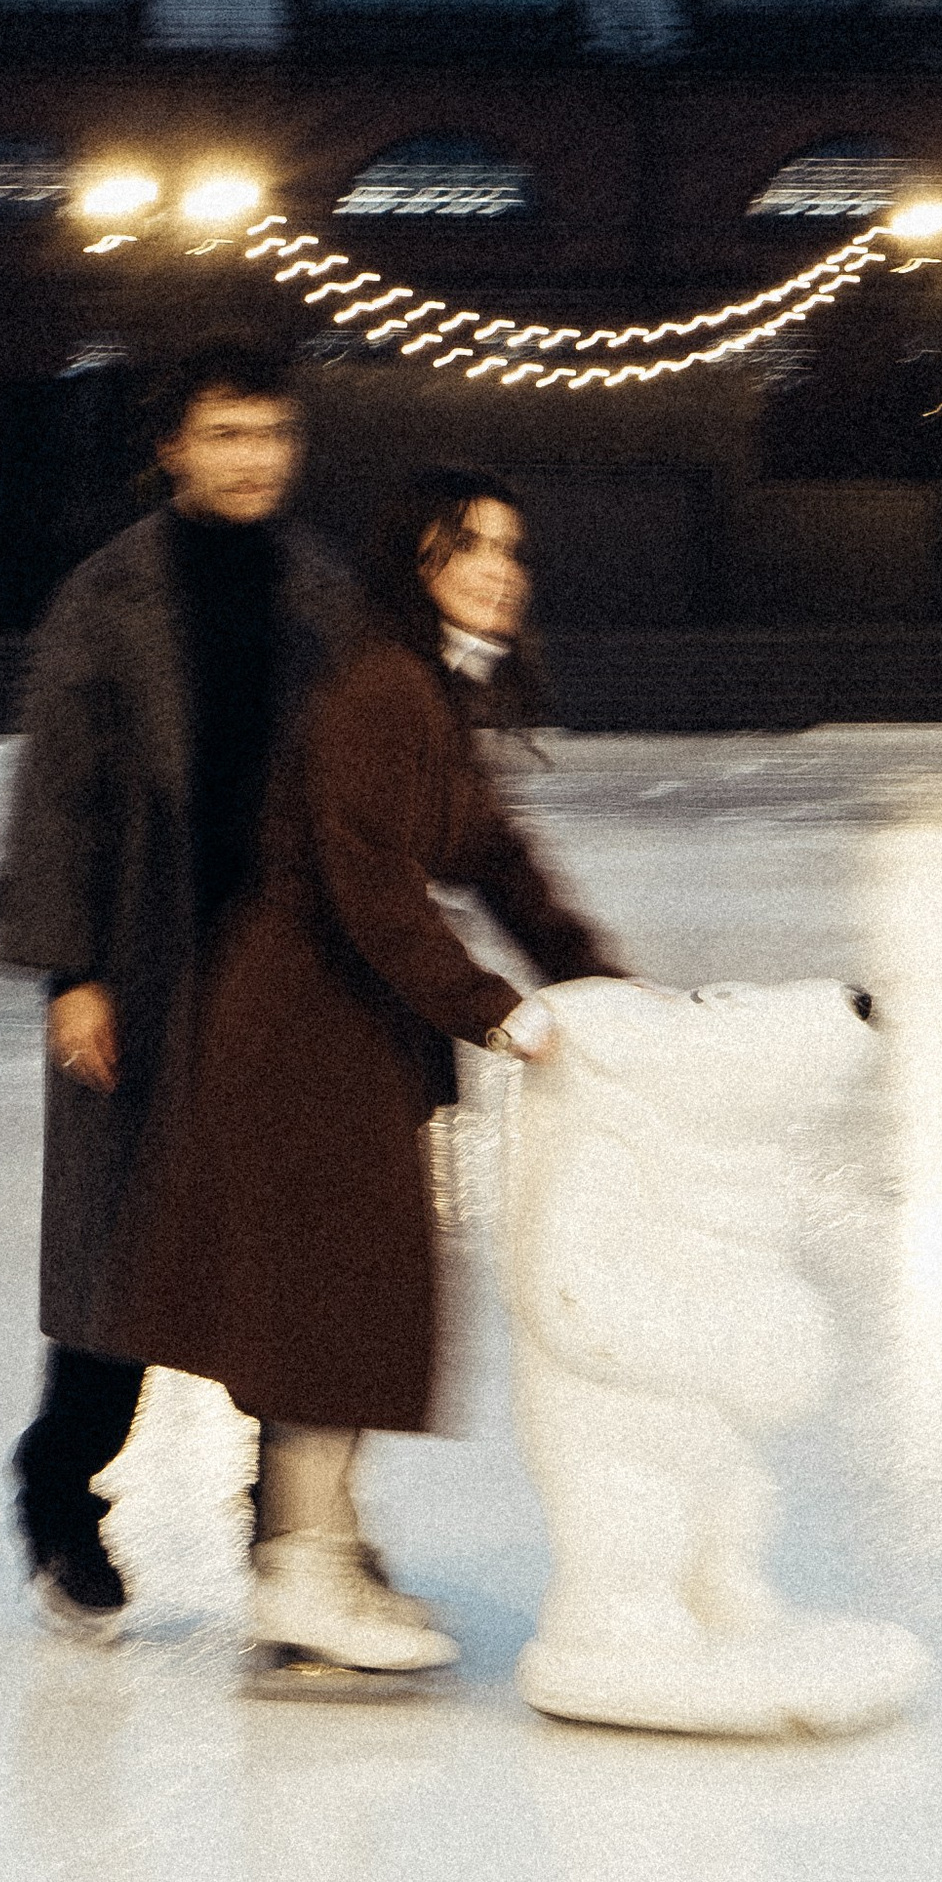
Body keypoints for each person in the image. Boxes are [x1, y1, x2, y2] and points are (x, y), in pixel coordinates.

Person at [109, 473, 623, 1679]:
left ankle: (318, 1548)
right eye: (470, 549)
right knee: (332, 1298)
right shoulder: (383, 686)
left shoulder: (432, 691)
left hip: (346, 1026)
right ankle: (304, 1566)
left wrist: (594, 979)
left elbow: (495, 856)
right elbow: (367, 881)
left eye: (512, 548)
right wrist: (493, 1012)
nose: (500, 570)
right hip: (302, 1026)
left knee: (342, 1296)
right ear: (418, 564)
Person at [0, 344, 365, 1633]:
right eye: (226, 434)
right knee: (122, 1257)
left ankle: (287, 1530)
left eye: (271, 432)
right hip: (143, 970)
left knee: (281, 1258)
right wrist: (72, 970)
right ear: (175, 450)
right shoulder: (110, 596)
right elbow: (58, 793)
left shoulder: (323, 592)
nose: (253, 456)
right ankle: (60, 1494)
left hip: (284, 979)